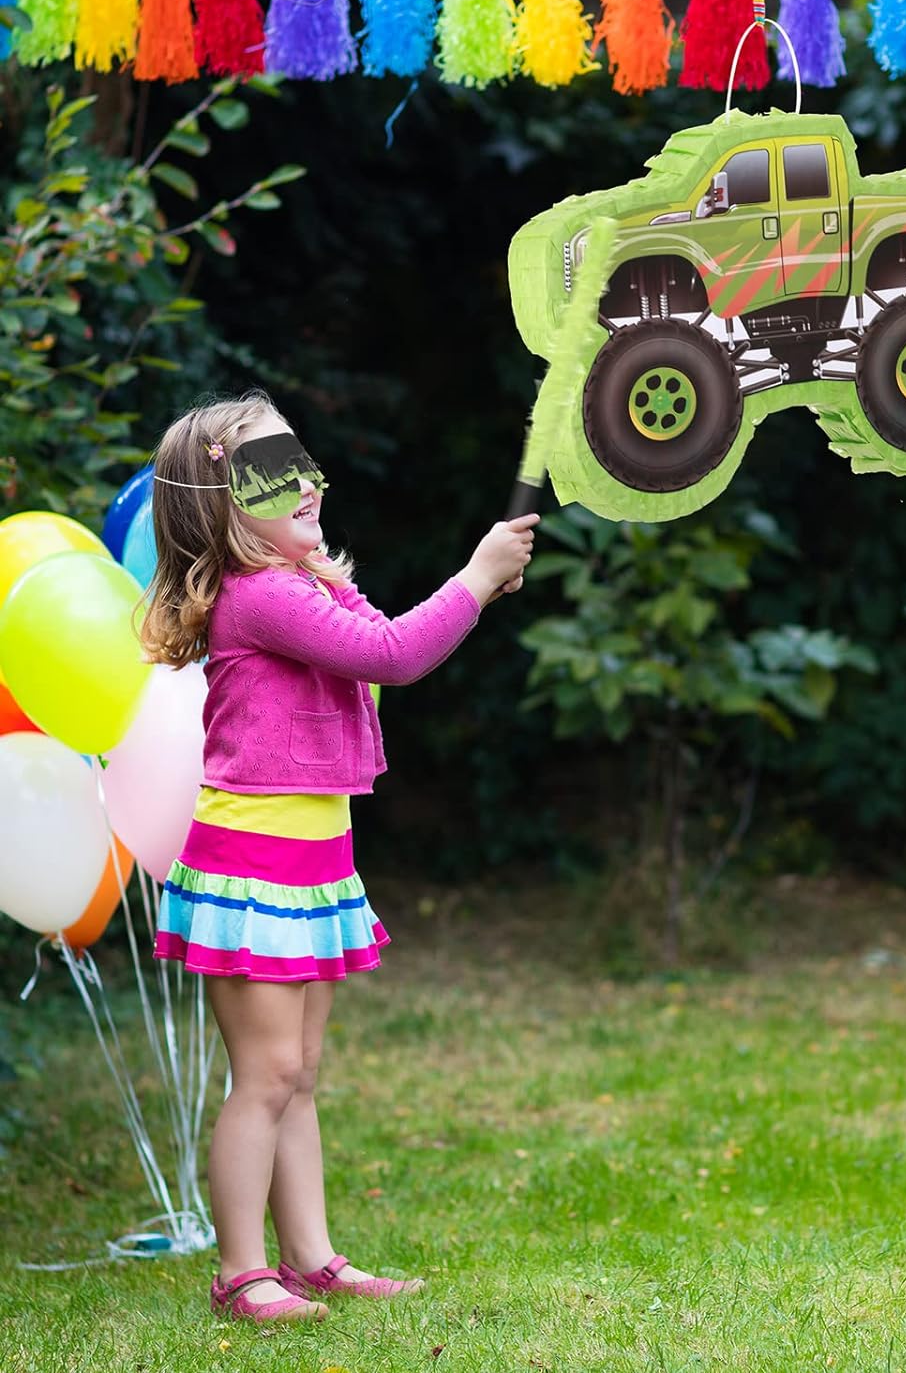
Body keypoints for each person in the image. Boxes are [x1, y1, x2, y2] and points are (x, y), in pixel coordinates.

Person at [140, 392, 538, 1322]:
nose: (304, 481)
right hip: (254, 868)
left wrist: (324, 561)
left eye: (298, 460)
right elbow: (392, 654)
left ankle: (311, 1257)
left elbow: (368, 634)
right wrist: (475, 578)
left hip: (311, 862)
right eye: (268, 469)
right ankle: (243, 1271)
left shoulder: (298, 582)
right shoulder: (262, 596)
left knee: (300, 1074)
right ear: (220, 503)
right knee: (267, 1076)